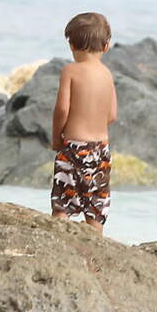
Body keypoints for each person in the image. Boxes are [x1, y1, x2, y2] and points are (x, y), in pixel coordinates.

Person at [50, 12, 117, 233]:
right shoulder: (107, 74)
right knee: (96, 203)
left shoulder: (70, 71)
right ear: (106, 46)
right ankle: (96, 243)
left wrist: (56, 137)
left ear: (71, 44)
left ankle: (59, 239)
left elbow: (62, 108)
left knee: (63, 201)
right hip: (100, 150)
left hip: (73, 147)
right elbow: (112, 115)